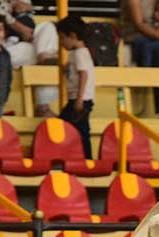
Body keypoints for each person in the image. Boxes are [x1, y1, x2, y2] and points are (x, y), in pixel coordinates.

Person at [0, 0, 59, 118]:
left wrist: (26, 11)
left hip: (15, 47)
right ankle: (43, 106)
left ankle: (44, 58)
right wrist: (19, 21)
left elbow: (28, 13)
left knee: (48, 28)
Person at [56, 16, 95, 159]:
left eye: (62, 38)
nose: (61, 42)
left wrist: (79, 99)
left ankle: (86, 158)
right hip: (78, 98)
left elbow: (84, 75)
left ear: (72, 36)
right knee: (76, 127)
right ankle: (83, 157)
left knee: (78, 129)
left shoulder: (79, 53)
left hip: (80, 99)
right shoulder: (78, 53)